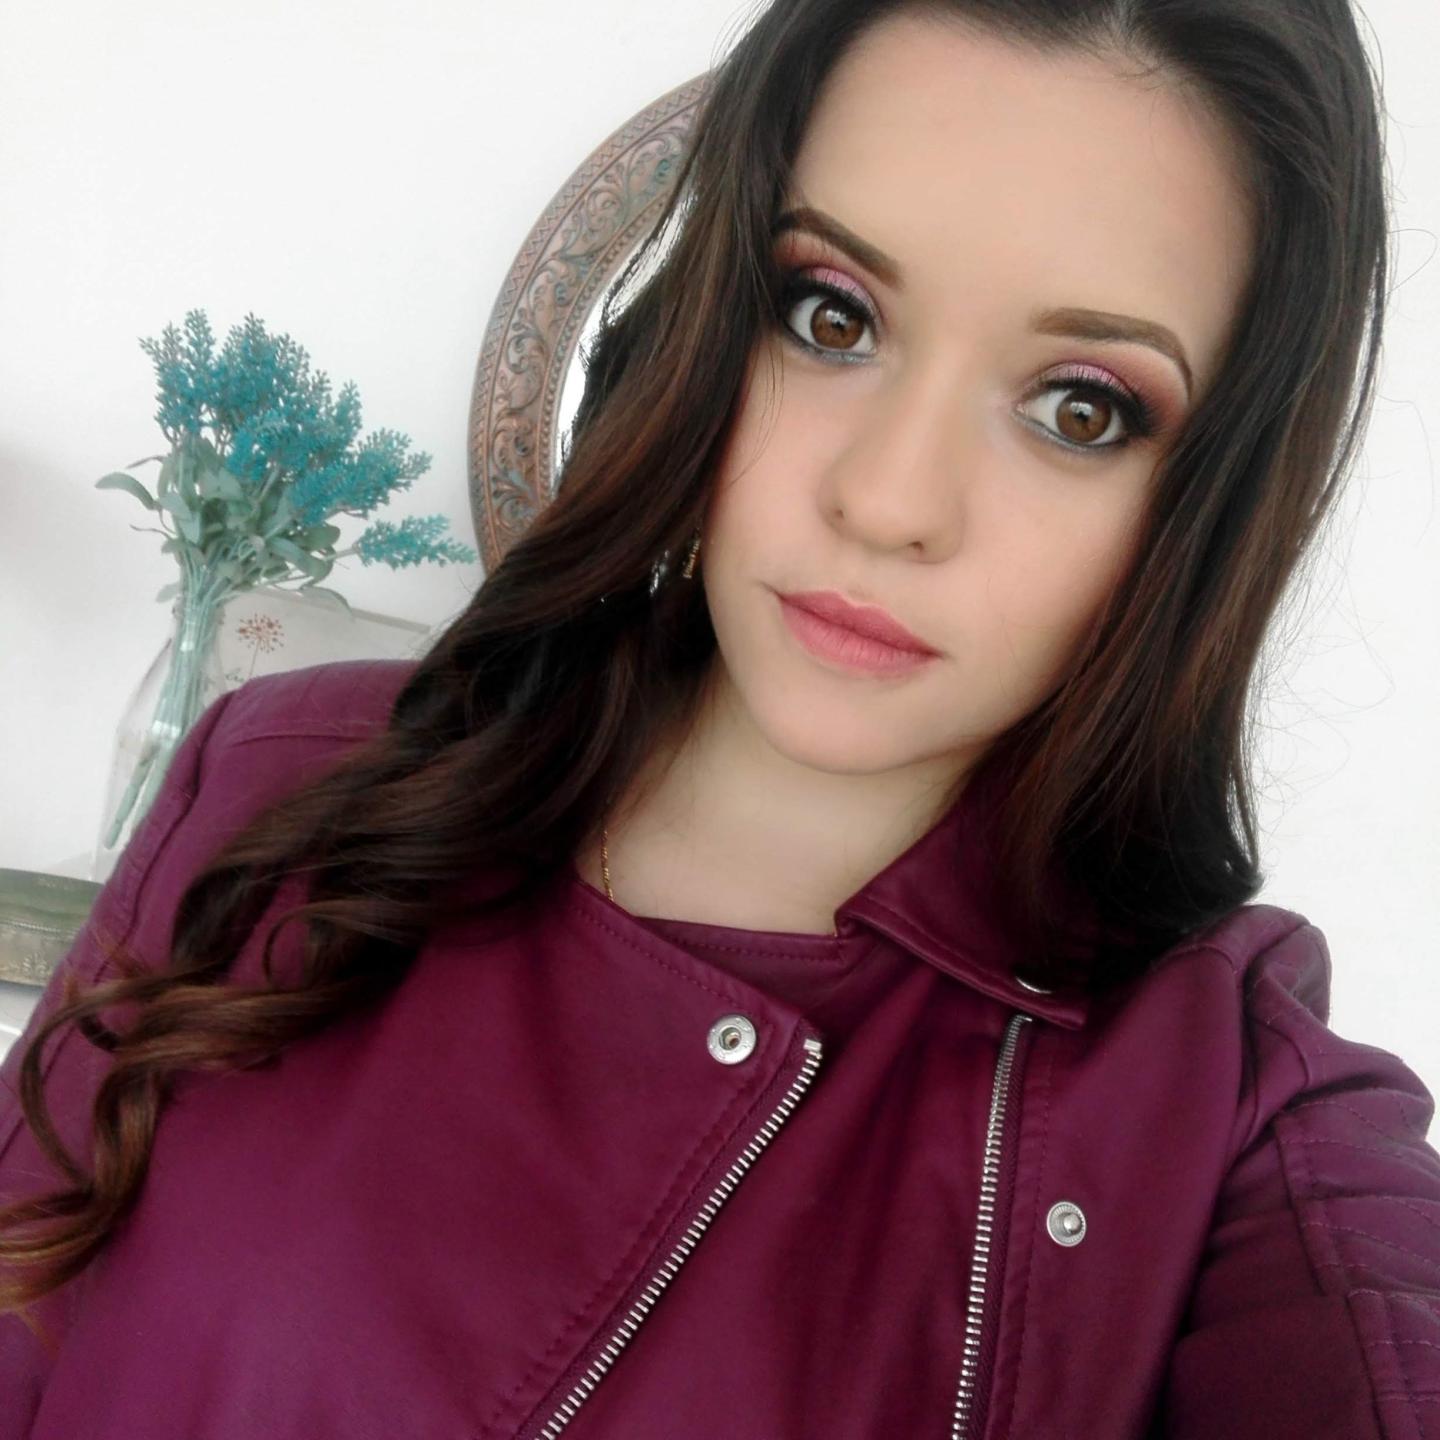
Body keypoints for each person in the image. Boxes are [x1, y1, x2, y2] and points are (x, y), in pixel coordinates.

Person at [2, 0, 1435, 1436]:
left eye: (1081, 408)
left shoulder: (1228, 1113)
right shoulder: (278, 779)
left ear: (1210, 498)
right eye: (833, 316)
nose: (887, 500)